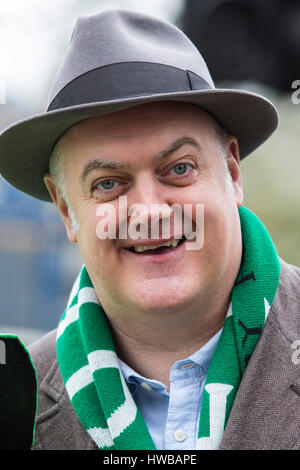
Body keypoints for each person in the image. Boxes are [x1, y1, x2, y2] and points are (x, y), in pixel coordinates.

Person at [0, 9, 299, 451]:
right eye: (108, 183)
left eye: (178, 168)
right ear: (66, 210)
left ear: (232, 172)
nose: (149, 211)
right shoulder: (13, 409)